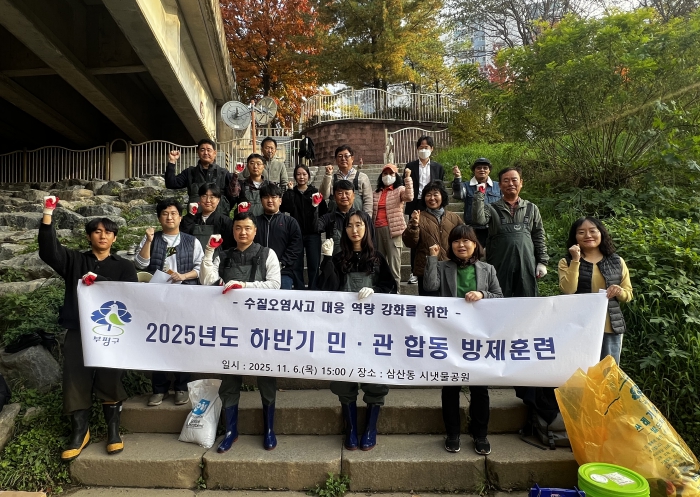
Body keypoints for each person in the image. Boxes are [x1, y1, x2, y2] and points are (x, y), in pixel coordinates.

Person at [38, 195, 137, 461]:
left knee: (110, 377)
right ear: (89, 236)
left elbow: (129, 296)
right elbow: (48, 251)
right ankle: (80, 432)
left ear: (115, 238)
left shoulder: (124, 266)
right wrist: (48, 213)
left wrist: (101, 280)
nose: (102, 236)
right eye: (97, 231)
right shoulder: (74, 261)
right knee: (75, 379)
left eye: (108, 232)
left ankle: (113, 431)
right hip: (78, 330)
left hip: (111, 334)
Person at [200, 212, 282, 451]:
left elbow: (275, 285)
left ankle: (269, 429)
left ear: (255, 231)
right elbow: (206, 281)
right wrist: (208, 252)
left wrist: (244, 286)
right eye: (238, 228)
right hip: (230, 327)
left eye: (247, 228)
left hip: (261, 327)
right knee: (229, 377)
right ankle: (231, 430)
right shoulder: (223, 255)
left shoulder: (267, 254)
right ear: (233, 231)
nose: (242, 232)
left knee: (266, 377)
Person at [317, 211, 396, 451]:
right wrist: (326, 259)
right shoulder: (339, 258)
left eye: (359, 225)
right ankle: (350, 428)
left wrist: (376, 292)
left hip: (372, 329)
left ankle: (370, 428)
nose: (354, 230)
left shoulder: (377, 259)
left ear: (367, 228)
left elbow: (391, 287)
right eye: (349, 225)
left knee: (375, 378)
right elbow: (326, 289)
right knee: (344, 376)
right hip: (344, 329)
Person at [423, 225, 503, 455]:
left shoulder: (487, 269)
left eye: (466, 240)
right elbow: (430, 286)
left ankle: (480, 435)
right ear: (451, 245)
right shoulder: (443, 266)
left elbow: (499, 297)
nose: (461, 245)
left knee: (480, 389)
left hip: (478, 338)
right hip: (450, 336)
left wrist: (482, 294)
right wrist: (432, 258)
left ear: (475, 244)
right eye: (456, 241)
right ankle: (453, 433)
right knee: (450, 388)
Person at [134, 198, 204, 407]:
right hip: (157, 299)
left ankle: (181, 387)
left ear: (180, 217)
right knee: (157, 341)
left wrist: (184, 276)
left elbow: (201, 268)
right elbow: (140, 264)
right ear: (159, 218)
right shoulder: (151, 238)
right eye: (165, 213)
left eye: (173, 213)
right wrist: (148, 241)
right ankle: (159, 389)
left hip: (184, 297)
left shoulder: (192, 241)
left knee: (182, 341)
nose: (169, 217)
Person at [558, 217, 633, 364]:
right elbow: (568, 290)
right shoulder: (566, 262)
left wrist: (619, 291)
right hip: (579, 327)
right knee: (580, 370)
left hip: (610, 327)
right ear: (575, 237)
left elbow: (628, 294)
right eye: (581, 232)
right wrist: (575, 260)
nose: (588, 235)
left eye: (593, 231)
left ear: (601, 233)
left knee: (608, 371)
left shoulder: (617, 261)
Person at [472, 166, 548, 298]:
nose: (510, 184)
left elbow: (538, 236)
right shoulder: (492, 208)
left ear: (521, 183)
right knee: (498, 300)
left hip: (526, 263)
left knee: (527, 300)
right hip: (499, 263)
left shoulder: (531, 208)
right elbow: (479, 220)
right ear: (500, 185)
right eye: (506, 181)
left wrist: (542, 262)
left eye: (514, 180)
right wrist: (479, 195)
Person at [402, 180, 463, 296]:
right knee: (428, 304)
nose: (432, 198)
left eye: (435, 194)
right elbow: (410, 243)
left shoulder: (454, 218)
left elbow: (464, 238)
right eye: (428, 195)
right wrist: (414, 226)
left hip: (450, 268)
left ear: (442, 196)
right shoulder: (419, 217)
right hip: (426, 269)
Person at [404, 136, 445, 285]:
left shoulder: (438, 167)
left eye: (426, 147)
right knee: (415, 237)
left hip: (432, 202)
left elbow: (441, 187)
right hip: (416, 204)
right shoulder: (410, 166)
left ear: (432, 149)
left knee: (434, 236)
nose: (423, 150)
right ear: (417, 149)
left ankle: (437, 268)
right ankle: (414, 272)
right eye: (421, 147)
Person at [281, 164, 328, 289]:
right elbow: (286, 207)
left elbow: (324, 211)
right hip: (296, 234)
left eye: (304, 174)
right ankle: (299, 288)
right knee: (297, 264)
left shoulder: (314, 192)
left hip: (313, 234)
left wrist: (319, 226)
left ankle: (313, 289)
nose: (301, 177)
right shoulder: (292, 192)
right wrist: (289, 191)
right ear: (295, 176)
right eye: (298, 174)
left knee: (314, 263)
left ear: (308, 176)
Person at [164, 139, 239, 214]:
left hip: (219, 218)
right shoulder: (190, 172)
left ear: (215, 153)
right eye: (202, 150)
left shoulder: (224, 173)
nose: (205, 153)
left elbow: (233, 196)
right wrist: (172, 161)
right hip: (195, 218)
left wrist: (224, 209)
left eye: (209, 150)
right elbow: (171, 183)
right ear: (198, 152)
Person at [372, 164, 413, 292]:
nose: (388, 176)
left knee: (394, 266)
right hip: (377, 230)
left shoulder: (399, 190)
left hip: (394, 232)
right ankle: (381, 291)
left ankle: (396, 292)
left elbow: (409, 197)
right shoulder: (376, 192)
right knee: (379, 264)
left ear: (396, 176)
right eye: (385, 173)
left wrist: (407, 178)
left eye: (391, 173)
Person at [255, 183, 303, 290]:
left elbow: (296, 246)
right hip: (257, 271)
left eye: (273, 197)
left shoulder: (290, 222)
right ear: (261, 200)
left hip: (283, 272)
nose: (270, 200)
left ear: (280, 200)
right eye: (266, 197)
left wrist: (281, 263)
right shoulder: (254, 222)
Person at [452, 158, 501, 249]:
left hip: (494, 229)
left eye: (485, 168)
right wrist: (457, 178)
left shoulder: (498, 186)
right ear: (474, 170)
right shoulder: (466, 186)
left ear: (489, 170)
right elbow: (458, 195)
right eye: (478, 168)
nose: (482, 170)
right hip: (473, 230)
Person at [316, 180, 375, 256]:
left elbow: (372, 240)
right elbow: (315, 227)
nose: (344, 196)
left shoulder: (364, 217)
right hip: (336, 260)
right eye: (340, 193)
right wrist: (314, 207)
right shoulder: (328, 218)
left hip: (360, 260)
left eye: (347, 193)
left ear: (353, 196)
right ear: (334, 197)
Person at [319, 145, 372, 215]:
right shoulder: (331, 178)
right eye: (340, 156)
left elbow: (368, 201)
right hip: (335, 219)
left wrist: (366, 218)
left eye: (346, 156)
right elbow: (323, 196)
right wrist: (328, 175)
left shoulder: (362, 177)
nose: (343, 159)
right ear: (336, 160)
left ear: (352, 158)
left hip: (356, 219)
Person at [180, 183, 234, 251]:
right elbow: (182, 237)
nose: (208, 200)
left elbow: (229, 247)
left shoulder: (225, 221)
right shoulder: (191, 219)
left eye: (212, 197)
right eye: (204, 196)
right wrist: (190, 215)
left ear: (218, 200)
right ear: (200, 199)